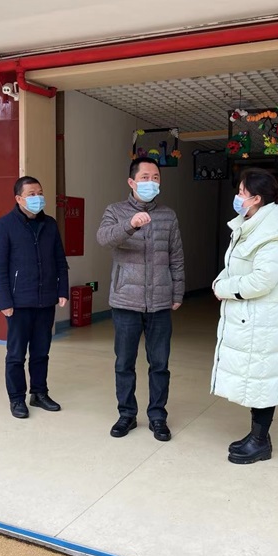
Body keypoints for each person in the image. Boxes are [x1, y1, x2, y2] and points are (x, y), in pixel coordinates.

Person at [210, 168, 278, 465]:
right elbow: (236, 266)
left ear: (257, 199)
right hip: (250, 317)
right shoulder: (251, 226)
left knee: (261, 378)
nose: (237, 197)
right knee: (254, 377)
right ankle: (257, 436)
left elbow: (262, 281)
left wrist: (225, 289)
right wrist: (221, 282)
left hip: (262, 320)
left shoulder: (272, 233)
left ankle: (260, 442)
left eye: (241, 193)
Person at [97, 157, 185, 441]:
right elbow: (103, 238)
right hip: (126, 300)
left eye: (156, 177)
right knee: (124, 362)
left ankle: (158, 416)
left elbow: (176, 256)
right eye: (145, 177)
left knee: (159, 364)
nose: (151, 182)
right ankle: (127, 414)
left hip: (160, 301)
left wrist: (177, 291)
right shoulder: (115, 211)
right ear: (131, 182)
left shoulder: (168, 215)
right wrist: (130, 225)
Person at [0, 176, 69, 419]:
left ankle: (39, 393)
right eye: (31, 194)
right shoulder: (3, 226)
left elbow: (60, 259)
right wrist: (4, 302)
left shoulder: (50, 224)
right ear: (18, 198)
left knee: (41, 352)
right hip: (18, 303)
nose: (37, 198)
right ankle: (16, 399)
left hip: (45, 300)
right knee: (16, 355)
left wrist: (62, 290)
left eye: (40, 193)